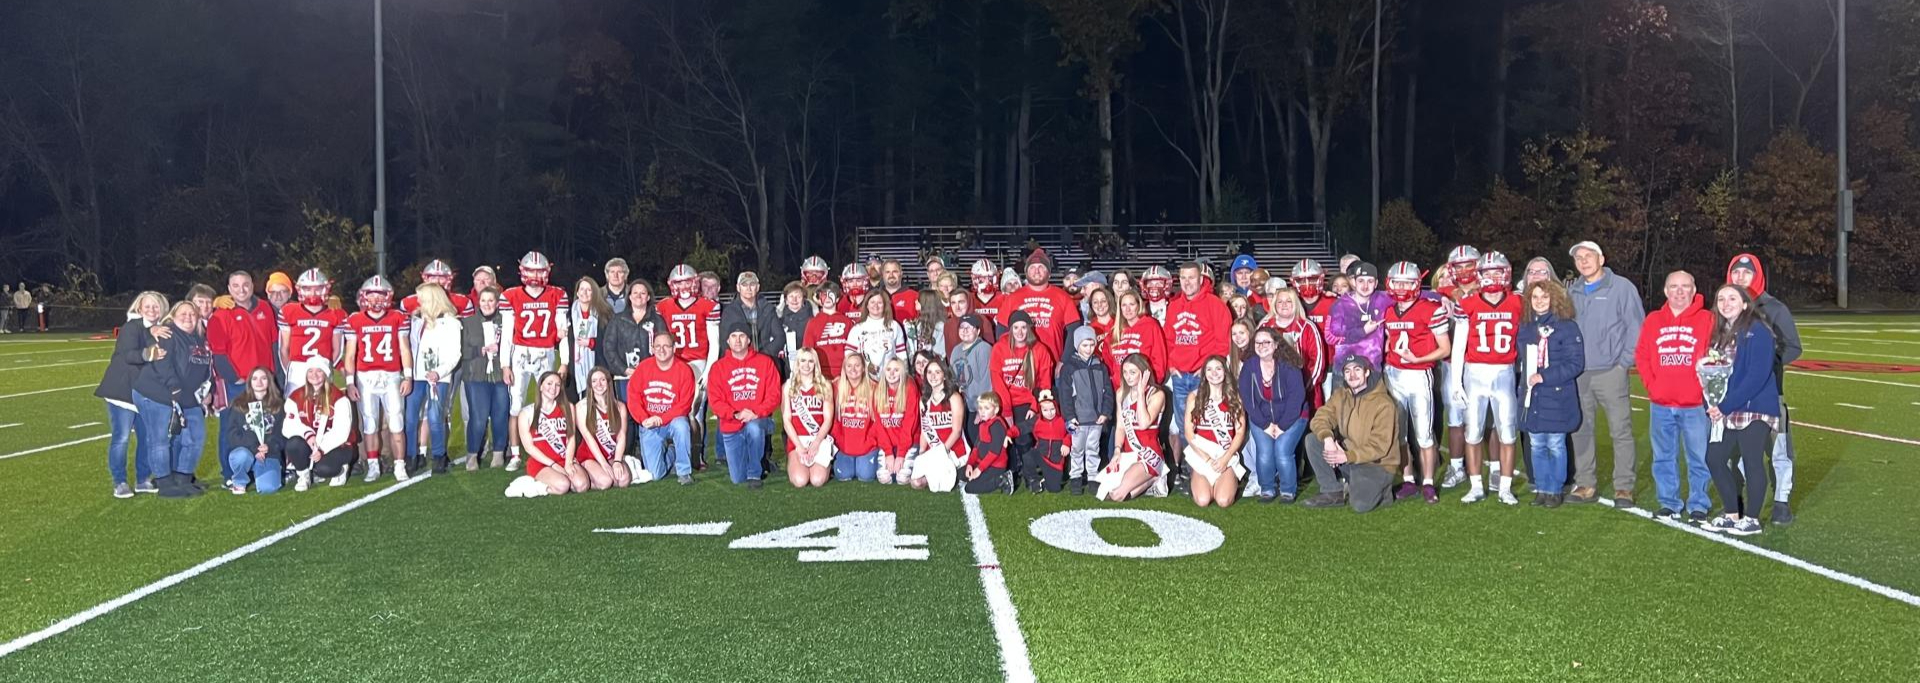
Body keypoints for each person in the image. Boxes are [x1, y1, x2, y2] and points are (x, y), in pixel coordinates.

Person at [1565, 240, 1643, 506]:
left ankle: (1624, 486)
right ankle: (1585, 483)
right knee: (1581, 430)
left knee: (1620, 431)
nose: (1583, 261)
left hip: (1611, 371)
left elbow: (1636, 327)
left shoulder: (1621, 287)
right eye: (1579, 258)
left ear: (1601, 258)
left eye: (1589, 256)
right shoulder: (1572, 291)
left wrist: (1624, 363)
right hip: (1579, 374)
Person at [1726, 253, 1802, 525]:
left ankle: (1781, 502)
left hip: (1769, 392)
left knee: (1778, 448)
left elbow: (1793, 346)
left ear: (1757, 276)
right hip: (1735, 395)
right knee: (1736, 450)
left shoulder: (1775, 309)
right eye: (1736, 272)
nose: (1741, 277)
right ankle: (1741, 500)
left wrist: (1763, 365)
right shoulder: (1726, 306)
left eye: (1747, 273)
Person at [1700, 284, 1781, 536]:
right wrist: (1710, 402)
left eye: (1732, 298)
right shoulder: (1720, 334)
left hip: (1754, 407)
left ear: (1745, 304)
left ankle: (1752, 519)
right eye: (1721, 299)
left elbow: (1757, 376)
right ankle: (1732, 514)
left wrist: (1724, 406)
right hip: (1728, 409)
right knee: (1714, 458)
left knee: (1751, 459)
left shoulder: (1758, 331)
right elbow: (1714, 375)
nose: (1726, 303)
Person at [1635, 271, 1715, 521]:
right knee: (1663, 457)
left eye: (1685, 286)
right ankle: (1669, 501)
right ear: (1665, 291)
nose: (1679, 291)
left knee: (1699, 457)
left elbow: (1715, 358)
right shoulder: (1653, 319)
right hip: (1661, 403)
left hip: (1694, 405)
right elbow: (1642, 355)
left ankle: (1699, 503)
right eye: (1673, 286)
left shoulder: (1707, 319)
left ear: (1694, 290)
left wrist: (1702, 390)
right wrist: (1653, 386)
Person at [1449, 251, 1523, 505]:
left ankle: (1505, 488)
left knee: (1508, 433)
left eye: (1496, 272)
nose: (1492, 277)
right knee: (1473, 433)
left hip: (1504, 371)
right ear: (1479, 275)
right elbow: (1459, 345)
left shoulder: (1518, 301)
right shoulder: (1467, 303)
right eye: (1487, 272)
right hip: (1475, 373)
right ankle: (1476, 486)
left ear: (1506, 274)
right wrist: (1456, 381)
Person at [1380, 262, 1452, 504]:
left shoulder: (1430, 309)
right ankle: (1409, 479)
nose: (1401, 287)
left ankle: (1428, 482)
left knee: (1424, 434)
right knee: (1399, 433)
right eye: (1397, 282)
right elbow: (1389, 341)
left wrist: (1419, 358)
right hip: (1393, 374)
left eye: (1407, 282)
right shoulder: (1389, 311)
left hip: (1419, 374)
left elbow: (1445, 348)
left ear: (1416, 284)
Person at [132, 301, 215, 498]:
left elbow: (205, 367)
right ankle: (164, 483)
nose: (188, 317)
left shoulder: (199, 337)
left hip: (186, 396)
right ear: (173, 316)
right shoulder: (167, 334)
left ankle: (183, 478)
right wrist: (174, 386)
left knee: (196, 436)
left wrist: (208, 390)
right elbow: (162, 364)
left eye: (192, 314)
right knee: (160, 439)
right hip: (156, 393)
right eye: (183, 314)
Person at [1303, 354, 1405, 513]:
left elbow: (1380, 447)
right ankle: (1332, 491)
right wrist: (1328, 439)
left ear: (1367, 372)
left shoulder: (1384, 404)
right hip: (1350, 455)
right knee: (1313, 440)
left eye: (1357, 370)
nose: (1352, 375)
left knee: (1360, 505)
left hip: (1377, 463)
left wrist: (1347, 456)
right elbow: (1321, 417)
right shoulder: (1341, 395)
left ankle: (1384, 491)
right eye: (1347, 371)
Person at [1517, 279, 1585, 508]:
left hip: (1557, 395)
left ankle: (1555, 489)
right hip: (1533, 396)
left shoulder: (1567, 327)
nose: (1539, 301)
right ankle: (1541, 488)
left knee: (1555, 443)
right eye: (1535, 297)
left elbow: (1575, 364)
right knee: (1536, 443)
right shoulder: (1525, 326)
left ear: (1554, 299)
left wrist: (1544, 376)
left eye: (1544, 297)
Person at [1164, 262, 1231, 490]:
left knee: (1206, 425)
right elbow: (1168, 339)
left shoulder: (1215, 305)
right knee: (1185, 427)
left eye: (1191, 277)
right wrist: (1171, 365)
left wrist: (1207, 368)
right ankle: (1190, 468)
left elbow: (1223, 342)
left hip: (1204, 376)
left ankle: (1210, 470)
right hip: (1180, 376)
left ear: (1201, 279)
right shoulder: (1174, 306)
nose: (1187, 282)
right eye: (1183, 278)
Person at [206, 270, 278, 485]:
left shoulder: (264, 307)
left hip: (264, 382)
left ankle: (260, 468)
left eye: (245, 284)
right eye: (235, 286)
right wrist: (234, 378)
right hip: (238, 383)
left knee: (264, 426)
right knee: (232, 426)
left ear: (252, 285)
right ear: (229, 289)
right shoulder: (220, 315)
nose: (241, 289)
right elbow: (218, 353)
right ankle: (229, 473)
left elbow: (273, 343)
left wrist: (274, 374)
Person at [97, 291, 170, 497]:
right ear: (139, 308)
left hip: (146, 392)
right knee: (121, 437)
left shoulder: (163, 328)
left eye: (156, 306)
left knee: (146, 437)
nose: (152, 310)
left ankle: (142, 479)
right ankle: (119, 481)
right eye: (147, 306)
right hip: (123, 392)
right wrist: (150, 349)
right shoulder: (131, 327)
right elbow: (129, 355)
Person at [502, 252, 570, 471]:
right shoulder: (511, 295)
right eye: (530, 271)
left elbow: (563, 332)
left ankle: (547, 448)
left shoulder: (557, 294)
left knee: (547, 402)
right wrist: (505, 364)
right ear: (522, 271)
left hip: (545, 352)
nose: (534, 276)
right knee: (516, 405)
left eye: (538, 271)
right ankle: (515, 453)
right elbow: (506, 334)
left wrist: (564, 361)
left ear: (547, 272)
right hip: (520, 353)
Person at [344, 276, 414, 482]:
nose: (375, 300)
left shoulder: (398, 317)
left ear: (388, 297)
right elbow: (350, 354)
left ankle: (399, 465)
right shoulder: (355, 319)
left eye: (380, 295)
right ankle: (373, 465)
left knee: (396, 421)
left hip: (391, 375)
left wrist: (408, 376)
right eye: (371, 295)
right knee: (369, 423)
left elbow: (404, 349)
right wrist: (349, 382)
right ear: (364, 297)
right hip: (365, 377)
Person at [659, 264, 719, 468]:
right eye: (679, 283)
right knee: (673, 410)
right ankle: (676, 452)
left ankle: (696, 455)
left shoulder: (708, 306)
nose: (683, 287)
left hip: (697, 363)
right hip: (673, 364)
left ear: (695, 282)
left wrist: (708, 370)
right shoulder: (664, 306)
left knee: (695, 412)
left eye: (687, 282)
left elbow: (714, 343)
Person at [1241, 327, 1308, 504]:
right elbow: (1247, 398)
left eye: (1266, 342)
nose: (1262, 346)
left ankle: (1288, 490)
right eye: (1258, 342)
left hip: (1293, 416)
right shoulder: (1249, 366)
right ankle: (1267, 489)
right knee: (1264, 452)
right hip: (1261, 417)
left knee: (1282, 450)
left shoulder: (1289, 365)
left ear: (1276, 344)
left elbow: (1297, 397)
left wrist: (1282, 426)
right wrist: (1265, 425)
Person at [709, 324, 780, 488]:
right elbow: (715, 401)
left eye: (742, 336)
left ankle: (755, 472)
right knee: (738, 478)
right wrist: (734, 413)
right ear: (728, 341)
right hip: (731, 423)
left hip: (757, 419)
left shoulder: (765, 363)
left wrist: (756, 412)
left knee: (754, 428)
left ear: (748, 340)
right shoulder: (718, 367)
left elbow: (774, 395)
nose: (738, 340)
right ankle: (758, 460)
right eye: (733, 336)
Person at [406, 284, 463, 473]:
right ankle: (411, 455)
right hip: (416, 375)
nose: (419, 301)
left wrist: (439, 372)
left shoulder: (451, 322)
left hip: (438, 377)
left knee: (434, 416)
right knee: (410, 417)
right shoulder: (416, 320)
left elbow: (455, 353)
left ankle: (439, 456)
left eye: (422, 297)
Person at [1095, 354, 1167, 501]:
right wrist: (1117, 451)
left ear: (1144, 373)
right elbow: (1121, 427)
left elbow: (1144, 423)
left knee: (1117, 495)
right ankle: (1154, 479)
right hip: (1129, 453)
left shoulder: (1156, 394)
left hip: (1149, 455)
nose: (1128, 377)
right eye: (1125, 372)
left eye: (1133, 372)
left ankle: (1156, 475)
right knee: (1106, 493)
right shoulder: (1121, 393)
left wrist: (1140, 394)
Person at [630, 331, 699, 484]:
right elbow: (633, 397)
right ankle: (673, 453)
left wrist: (661, 419)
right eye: (657, 346)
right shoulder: (643, 368)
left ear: (674, 348)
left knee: (681, 426)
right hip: (650, 422)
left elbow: (684, 405)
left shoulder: (684, 370)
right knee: (655, 474)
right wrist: (644, 419)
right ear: (652, 349)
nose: (661, 350)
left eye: (666, 346)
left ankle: (684, 471)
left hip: (672, 421)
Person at [283, 356, 358, 490]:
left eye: (319, 371)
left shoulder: (339, 398)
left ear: (326, 374)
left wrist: (322, 448)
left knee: (324, 469)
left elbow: (341, 432)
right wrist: (308, 435)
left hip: (335, 445)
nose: (314, 375)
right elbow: (288, 426)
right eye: (310, 371)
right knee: (293, 444)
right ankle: (304, 475)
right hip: (311, 442)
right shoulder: (295, 397)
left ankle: (341, 469)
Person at [1183, 355, 1248, 508]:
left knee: (1223, 501)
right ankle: (1196, 478)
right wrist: (1206, 459)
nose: (1214, 373)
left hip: (1225, 454)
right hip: (1202, 455)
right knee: (1203, 500)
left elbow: (1240, 433)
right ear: (1204, 373)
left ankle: (1232, 481)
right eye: (1209, 369)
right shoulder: (1195, 397)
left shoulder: (1234, 397)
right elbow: (1189, 433)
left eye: (1218, 369)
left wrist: (1225, 459)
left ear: (1225, 371)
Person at [990, 311, 1057, 460]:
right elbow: (997, 383)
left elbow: (1045, 383)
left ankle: (1031, 470)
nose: (1019, 332)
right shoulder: (999, 348)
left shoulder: (1040, 349)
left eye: (1023, 327)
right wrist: (1007, 412)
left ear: (1029, 328)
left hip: (1029, 402)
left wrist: (1035, 406)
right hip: (1006, 402)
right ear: (1010, 329)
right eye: (1016, 327)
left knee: (1024, 438)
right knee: (1001, 438)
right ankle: (1015, 466)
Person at [1056, 325, 1113, 495]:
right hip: (1078, 420)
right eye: (1084, 345)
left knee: (1093, 448)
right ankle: (1076, 477)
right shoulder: (1069, 368)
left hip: (1096, 419)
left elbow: (1108, 392)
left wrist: (1105, 412)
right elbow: (1065, 395)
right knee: (1077, 449)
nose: (1089, 349)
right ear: (1077, 345)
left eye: (1091, 344)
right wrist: (1069, 416)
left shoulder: (1100, 366)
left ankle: (1093, 476)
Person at [459, 287, 512, 470]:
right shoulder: (468, 322)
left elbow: (513, 344)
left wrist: (502, 351)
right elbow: (460, 350)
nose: (487, 304)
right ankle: (472, 454)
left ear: (497, 303)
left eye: (491, 300)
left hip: (499, 374)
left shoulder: (506, 321)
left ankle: (498, 453)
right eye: (483, 300)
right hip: (476, 375)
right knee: (479, 417)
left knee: (500, 414)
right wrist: (478, 350)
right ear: (478, 302)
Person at [995, 248, 1080, 354]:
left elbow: (1074, 330)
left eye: (1041, 267)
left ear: (1049, 273)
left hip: (1053, 360)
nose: (1036, 271)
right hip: (1021, 360)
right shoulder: (1012, 298)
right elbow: (1002, 331)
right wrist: (1009, 356)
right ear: (1026, 273)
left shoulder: (1063, 297)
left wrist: (1064, 360)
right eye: (1032, 267)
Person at [519, 372, 588, 495]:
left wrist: (568, 462)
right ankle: (533, 487)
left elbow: (571, 438)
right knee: (563, 486)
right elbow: (529, 447)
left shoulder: (568, 407)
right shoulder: (526, 413)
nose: (553, 388)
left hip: (563, 458)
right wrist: (553, 464)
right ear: (541, 386)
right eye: (549, 383)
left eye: (557, 385)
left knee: (582, 485)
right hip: (541, 463)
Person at [601, 280, 668, 403]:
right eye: (635, 293)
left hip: (651, 376)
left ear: (648, 297)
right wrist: (624, 369)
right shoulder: (617, 320)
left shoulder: (657, 320)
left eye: (643, 293)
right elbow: (608, 348)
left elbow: (664, 346)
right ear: (630, 297)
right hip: (624, 377)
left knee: (650, 408)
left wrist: (653, 369)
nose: (639, 296)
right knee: (627, 410)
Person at [223, 367, 287, 494]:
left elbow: (282, 434)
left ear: (269, 381)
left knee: (268, 488)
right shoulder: (239, 404)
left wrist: (269, 446)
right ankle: (239, 482)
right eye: (255, 379)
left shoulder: (279, 405)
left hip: (269, 453)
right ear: (249, 382)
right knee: (241, 456)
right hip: (246, 451)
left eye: (263, 378)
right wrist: (254, 448)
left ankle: (258, 474)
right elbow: (232, 434)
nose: (259, 382)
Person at [279, 269, 348, 385]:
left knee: (323, 397)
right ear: (299, 289)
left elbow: (337, 350)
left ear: (326, 289)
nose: (313, 293)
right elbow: (283, 349)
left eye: (318, 288)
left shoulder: (336, 314)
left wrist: (326, 368)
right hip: (297, 367)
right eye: (308, 289)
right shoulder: (289, 311)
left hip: (322, 367)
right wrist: (289, 372)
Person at [912, 356, 969, 491]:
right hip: (934, 447)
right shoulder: (924, 401)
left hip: (954, 449)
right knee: (916, 482)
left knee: (942, 483)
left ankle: (958, 472)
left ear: (944, 375)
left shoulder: (954, 397)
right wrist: (922, 452)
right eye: (929, 372)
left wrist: (941, 454)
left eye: (937, 372)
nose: (933, 376)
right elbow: (925, 430)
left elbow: (957, 432)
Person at [782, 347, 835, 488]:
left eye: (811, 361)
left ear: (815, 364)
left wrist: (817, 443)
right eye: (803, 360)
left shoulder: (825, 385)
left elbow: (828, 419)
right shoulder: (788, 386)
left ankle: (827, 463)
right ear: (797, 363)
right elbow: (786, 420)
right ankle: (793, 461)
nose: (806, 365)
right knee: (800, 481)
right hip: (797, 441)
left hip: (818, 439)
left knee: (817, 480)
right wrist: (799, 447)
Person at [574, 366, 634, 490]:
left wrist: (617, 461)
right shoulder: (581, 407)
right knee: (605, 482)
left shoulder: (620, 407)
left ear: (608, 382)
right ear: (590, 385)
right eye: (594, 381)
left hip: (610, 454)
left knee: (623, 481)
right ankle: (584, 477)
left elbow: (621, 436)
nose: (599, 384)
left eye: (602, 380)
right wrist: (603, 464)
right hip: (590, 456)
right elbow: (588, 437)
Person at [1327, 262, 1391, 368]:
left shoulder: (1382, 298)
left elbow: (1409, 295)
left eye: (1370, 281)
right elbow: (1332, 335)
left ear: (1376, 283)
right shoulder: (1341, 304)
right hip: (1345, 368)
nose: (1365, 286)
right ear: (1354, 282)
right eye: (1361, 281)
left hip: (1373, 367)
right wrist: (1363, 331)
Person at [831, 353, 880, 482]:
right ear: (844, 368)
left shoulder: (874, 388)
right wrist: (840, 442)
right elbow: (832, 420)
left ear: (863, 368)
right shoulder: (836, 387)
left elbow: (878, 422)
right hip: (844, 446)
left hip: (867, 446)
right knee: (843, 475)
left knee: (865, 476)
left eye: (857, 365)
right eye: (849, 366)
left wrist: (869, 442)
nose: (853, 369)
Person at [720, 272, 783, 370]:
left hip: (766, 360)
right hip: (739, 363)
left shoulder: (768, 309)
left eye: (752, 284)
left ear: (758, 287)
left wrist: (764, 356)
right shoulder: (729, 312)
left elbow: (780, 336)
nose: (748, 288)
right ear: (738, 288)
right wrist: (740, 358)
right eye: (744, 285)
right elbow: (725, 341)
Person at [1106, 291, 1167, 391]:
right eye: (1124, 305)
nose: (1128, 309)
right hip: (1120, 390)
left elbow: (1159, 359)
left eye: (1132, 304)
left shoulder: (1150, 326)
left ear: (1139, 306)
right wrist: (1115, 381)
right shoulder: (1114, 331)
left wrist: (1150, 384)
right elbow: (1108, 360)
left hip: (1144, 388)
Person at [875, 357, 920, 485]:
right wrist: (888, 453)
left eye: (896, 370)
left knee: (902, 479)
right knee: (884, 479)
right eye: (888, 369)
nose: (892, 373)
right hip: (888, 442)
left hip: (909, 441)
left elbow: (909, 425)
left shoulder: (910, 388)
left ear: (902, 372)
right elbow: (879, 426)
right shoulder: (878, 390)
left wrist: (901, 454)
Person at [567, 276, 612, 396]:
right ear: (577, 292)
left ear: (594, 293)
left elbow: (610, 340)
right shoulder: (570, 314)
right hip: (575, 366)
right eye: (582, 289)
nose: (585, 293)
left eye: (589, 290)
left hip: (599, 363)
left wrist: (591, 343)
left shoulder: (605, 313)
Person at [847, 291, 907, 378]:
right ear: (867, 305)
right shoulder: (857, 328)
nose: (876, 305)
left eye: (879, 302)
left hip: (890, 378)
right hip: (865, 379)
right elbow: (849, 354)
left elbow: (901, 355)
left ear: (885, 305)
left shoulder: (894, 326)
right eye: (872, 302)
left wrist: (904, 375)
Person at [1021, 390, 1071, 493]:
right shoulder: (1037, 420)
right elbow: (1021, 427)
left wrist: (1066, 443)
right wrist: (1009, 434)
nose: (1050, 413)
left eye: (1052, 409)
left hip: (1055, 462)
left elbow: (1072, 432)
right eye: (1045, 410)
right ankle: (1033, 479)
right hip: (1040, 454)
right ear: (1040, 410)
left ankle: (1044, 481)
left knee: (1054, 489)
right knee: (1027, 456)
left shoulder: (1063, 420)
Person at [964, 392, 1014, 494]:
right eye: (980, 408)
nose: (982, 412)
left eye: (986, 408)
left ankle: (1001, 480)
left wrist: (979, 469)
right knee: (962, 474)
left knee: (969, 488)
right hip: (983, 462)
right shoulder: (983, 424)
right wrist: (970, 464)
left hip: (995, 466)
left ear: (996, 410)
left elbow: (994, 453)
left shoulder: (997, 425)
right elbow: (976, 447)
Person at [803, 283, 854, 380]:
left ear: (837, 299)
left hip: (844, 374)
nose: (827, 298)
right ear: (819, 299)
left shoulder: (847, 322)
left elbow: (852, 351)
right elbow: (808, 350)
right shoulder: (812, 322)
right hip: (820, 374)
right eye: (824, 295)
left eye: (831, 294)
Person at [949, 314, 994, 413]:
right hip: (961, 405)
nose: (965, 331)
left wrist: (981, 409)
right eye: (962, 327)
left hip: (978, 408)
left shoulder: (983, 349)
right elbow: (951, 378)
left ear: (978, 331)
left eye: (969, 327)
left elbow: (987, 384)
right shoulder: (956, 350)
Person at [774, 282, 815, 371]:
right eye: (791, 296)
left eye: (798, 296)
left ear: (804, 299)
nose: (794, 300)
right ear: (785, 299)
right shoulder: (777, 318)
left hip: (808, 361)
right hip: (784, 363)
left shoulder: (813, 317)